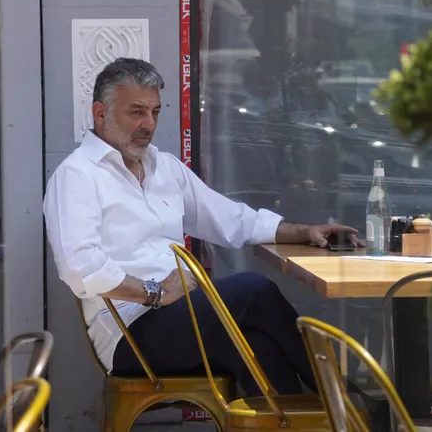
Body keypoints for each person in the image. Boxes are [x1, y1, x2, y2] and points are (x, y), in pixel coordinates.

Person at [43, 58, 362, 396]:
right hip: (129, 332)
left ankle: (311, 417)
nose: (148, 124)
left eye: (154, 112)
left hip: (181, 314)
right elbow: (80, 267)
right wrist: (155, 292)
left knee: (258, 347)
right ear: (100, 112)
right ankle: (347, 400)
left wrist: (303, 232)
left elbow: (228, 218)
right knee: (256, 291)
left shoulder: (164, 167)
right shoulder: (77, 175)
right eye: (136, 112)